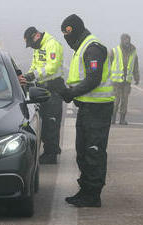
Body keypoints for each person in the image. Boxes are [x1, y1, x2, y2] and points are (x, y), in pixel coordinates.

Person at [58, 14, 115, 207]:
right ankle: (85, 190)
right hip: (87, 107)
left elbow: (93, 78)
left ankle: (93, 195)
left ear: (76, 30)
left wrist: (71, 93)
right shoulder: (82, 46)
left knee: (93, 152)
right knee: (82, 151)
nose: (67, 39)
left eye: (68, 34)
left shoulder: (92, 47)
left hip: (98, 109)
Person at [19, 27, 64, 164]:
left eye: (32, 43)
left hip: (53, 88)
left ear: (37, 35)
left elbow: (52, 67)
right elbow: (35, 66)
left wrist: (32, 75)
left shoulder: (52, 45)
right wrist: (26, 77)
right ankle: (50, 148)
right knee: (43, 122)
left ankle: (51, 154)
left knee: (51, 122)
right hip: (42, 89)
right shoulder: (38, 47)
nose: (32, 47)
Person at [110, 33, 140, 125]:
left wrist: (137, 77)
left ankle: (122, 119)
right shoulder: (114, 51)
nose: (126, 41)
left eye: (128, 39)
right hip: (116, 81)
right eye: (125, 40)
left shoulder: (133, 52)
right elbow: (109, 63)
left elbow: (135, 66)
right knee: (116, 101)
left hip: (126, 81)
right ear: (121, 40)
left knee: (124, 101)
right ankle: (113, 118)